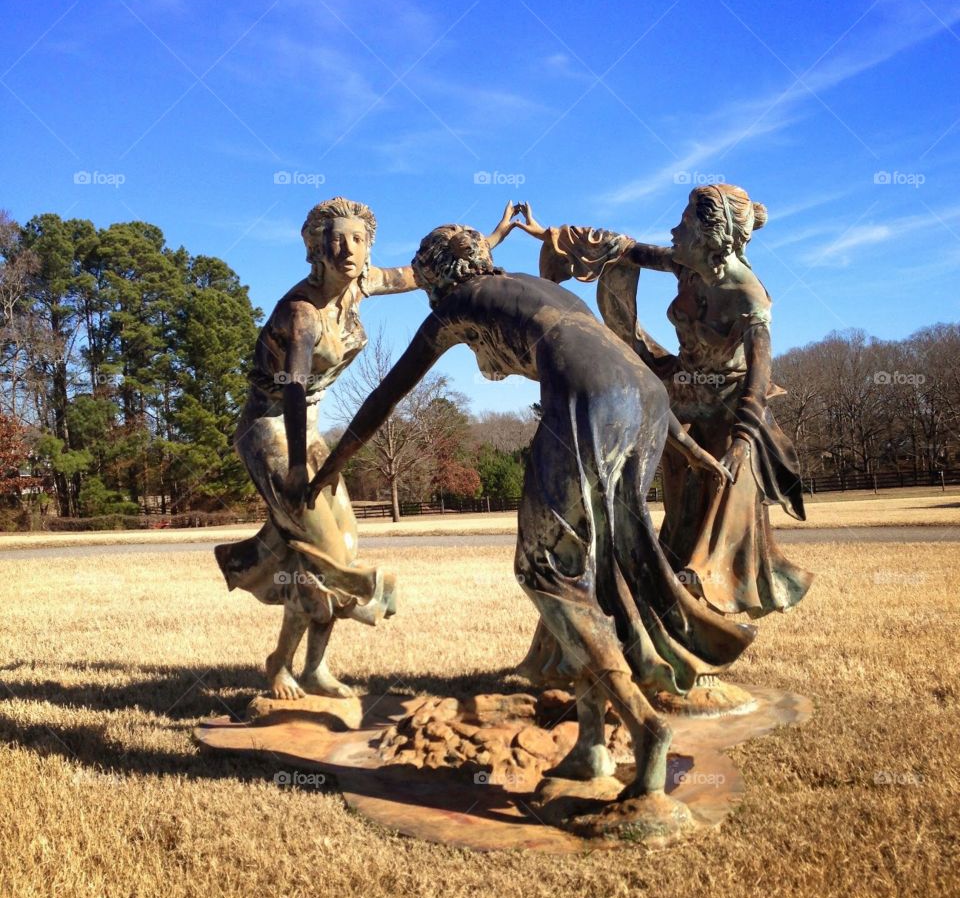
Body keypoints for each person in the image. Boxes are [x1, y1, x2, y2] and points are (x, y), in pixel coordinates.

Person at [303, 223, 756, 807]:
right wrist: (684, 446)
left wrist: (332, 465)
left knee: (545, 571)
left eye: (427, 278)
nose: (429, 292)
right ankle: (592, 743)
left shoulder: (458, 305)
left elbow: (388, 392)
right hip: (645, 399)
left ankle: (646, 729)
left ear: (441, 273)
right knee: (591, 576)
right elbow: (623, 362)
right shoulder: (539, 290)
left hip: (590, 396)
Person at [215, 198, 520, 700]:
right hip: (270, 431)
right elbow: (293, 387)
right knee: (326, 556)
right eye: (336, 239)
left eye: (357, 239)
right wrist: (295, 467)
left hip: (308, 431)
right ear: (316, 246)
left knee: (343, 548)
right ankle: (283, 663)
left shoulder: (361, 285)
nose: (348, 249)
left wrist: (494, 235)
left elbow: (423, 273)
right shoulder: (302, 314)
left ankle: (309, 667)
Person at [515, 185, 813, 619]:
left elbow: (757, 379)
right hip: (681, 396)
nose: (674, 229)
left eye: (685, 222)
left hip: (728, 412)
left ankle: (707, 597)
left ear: (710, 234)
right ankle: (669, 599)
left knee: (720, 503)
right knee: (680, 514)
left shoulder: (749, 298)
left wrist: (743, 441)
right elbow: (623, 248)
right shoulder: (686, 266)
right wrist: (553, 236)